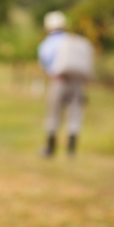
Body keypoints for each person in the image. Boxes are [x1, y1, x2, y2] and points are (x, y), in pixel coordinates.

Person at [37, 11, 93, 158]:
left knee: (54, 114)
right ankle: (71, 150)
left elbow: (45, 65)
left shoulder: (47, 44)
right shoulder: (74, 41)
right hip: (77, 82)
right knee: (75, 114)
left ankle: (50, 148)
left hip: (59, 81)